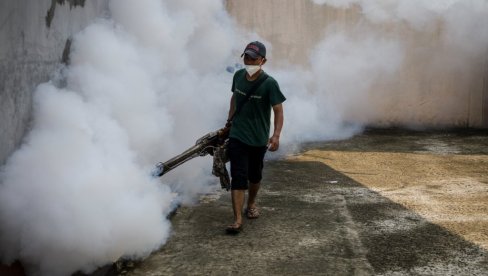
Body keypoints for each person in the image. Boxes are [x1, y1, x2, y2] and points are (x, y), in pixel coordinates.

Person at [225, 41, 286, 234]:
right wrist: (229, 121)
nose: (249, 61)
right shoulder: (238, 76)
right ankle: (237, 219)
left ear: (263, 61)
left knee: (255, 175)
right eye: (247, 57)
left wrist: (275, 135)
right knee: (238, 176)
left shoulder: (270, 84)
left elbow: (278, 111)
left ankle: (251, 203)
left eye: (254, 58)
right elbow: (234, 97)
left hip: (259, 139)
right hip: (237, 135)